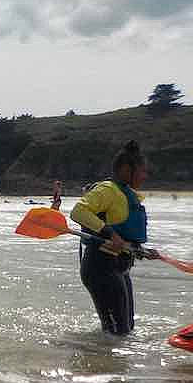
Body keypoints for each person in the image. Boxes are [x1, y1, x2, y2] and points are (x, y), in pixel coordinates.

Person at [69, 140, 157, 336]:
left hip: (120, 268)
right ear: (127, 169)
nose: (145, 176)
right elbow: (78, 211)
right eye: (142, 171)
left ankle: (110, 362)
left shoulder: (126, 194)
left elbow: (125, 235)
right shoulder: (107, 190)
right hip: (100, 268)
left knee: (127, 329)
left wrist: (142, 251)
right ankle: (100, 364)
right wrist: (110, 234)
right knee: (117, 333)